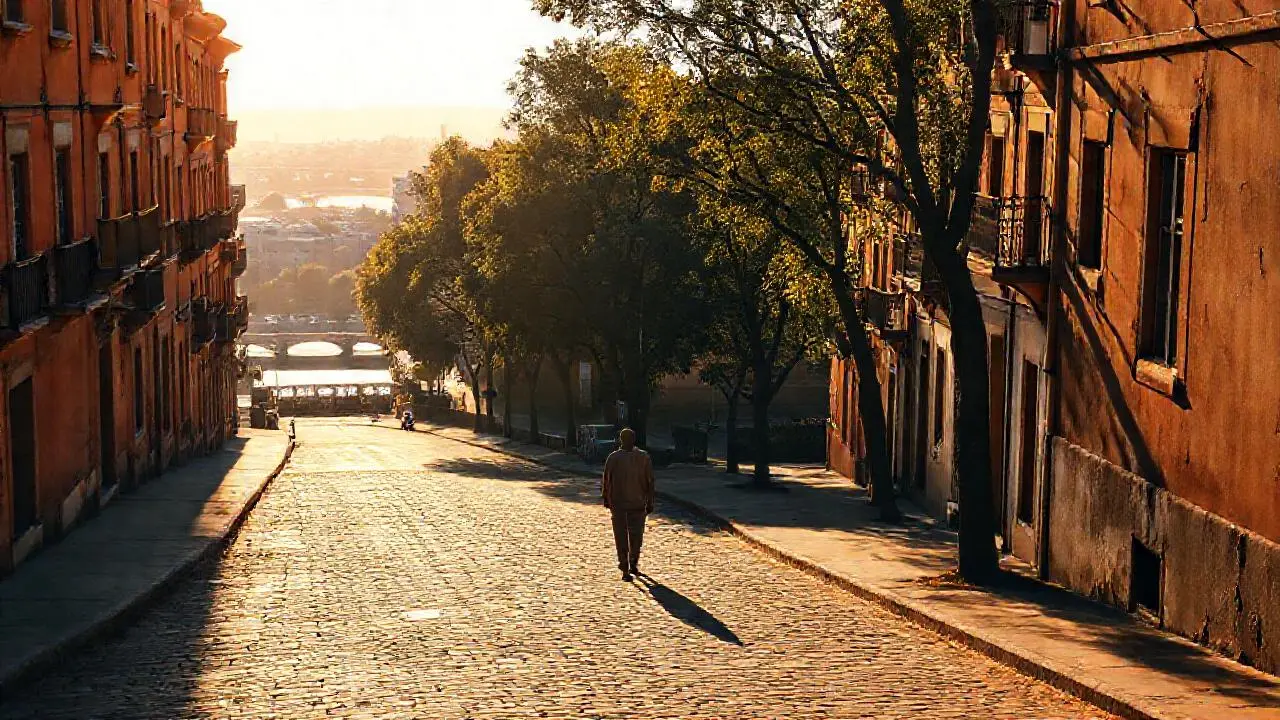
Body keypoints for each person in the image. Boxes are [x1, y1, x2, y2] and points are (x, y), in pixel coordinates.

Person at [602, 427, 655, 581]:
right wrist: (650, 500)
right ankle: (630, 563)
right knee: (635, 536)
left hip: (622, 503)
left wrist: (606, 497)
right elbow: (650, 482)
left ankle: (626, 563)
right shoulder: (642, 457)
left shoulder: (614, 458)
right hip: (634, 503)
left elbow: (607, 480)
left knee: (623, 536)